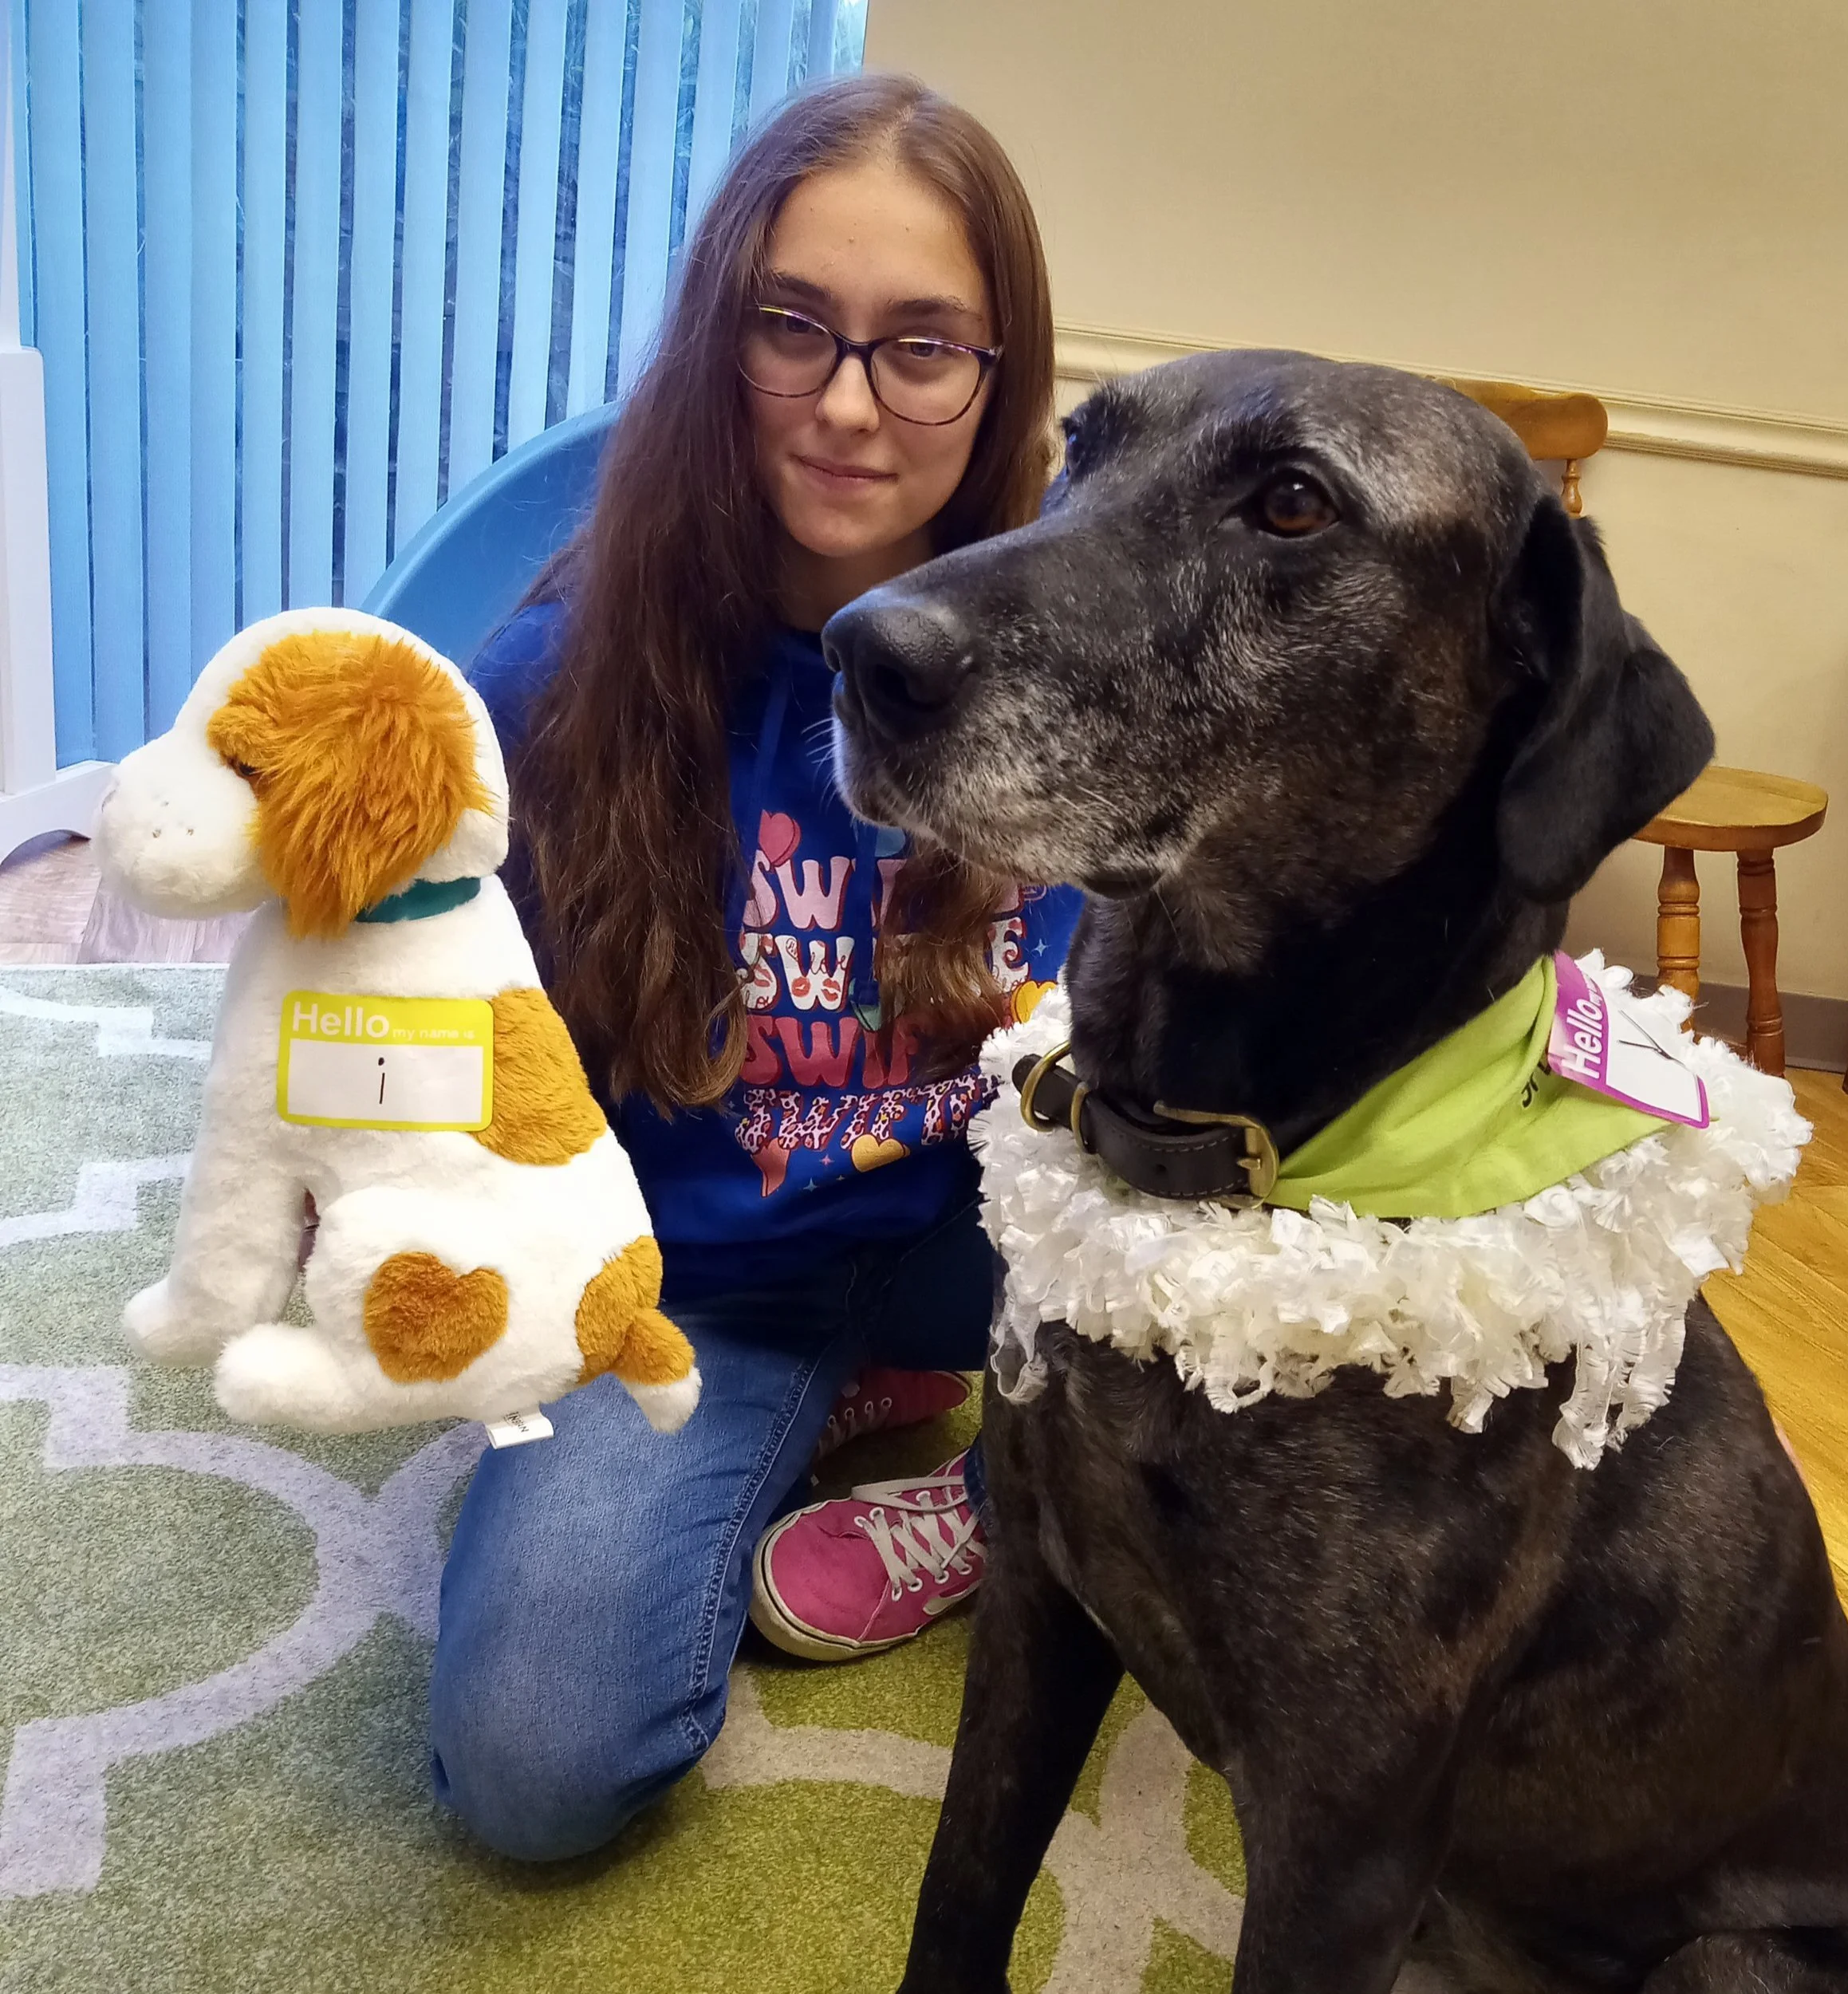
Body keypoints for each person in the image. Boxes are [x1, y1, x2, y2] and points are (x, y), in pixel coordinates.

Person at [426, 73, 1081, 1862]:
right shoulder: (555, 679)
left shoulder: (1084, 689)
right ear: (721, 340)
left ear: (999, 372)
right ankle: (823, 1402)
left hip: (985, 1260)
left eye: (921, 345)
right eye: (794, 327)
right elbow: (426, 1066)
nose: (849, 404)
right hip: (684, 1279)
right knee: (533, 1763)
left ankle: (989, 1485)